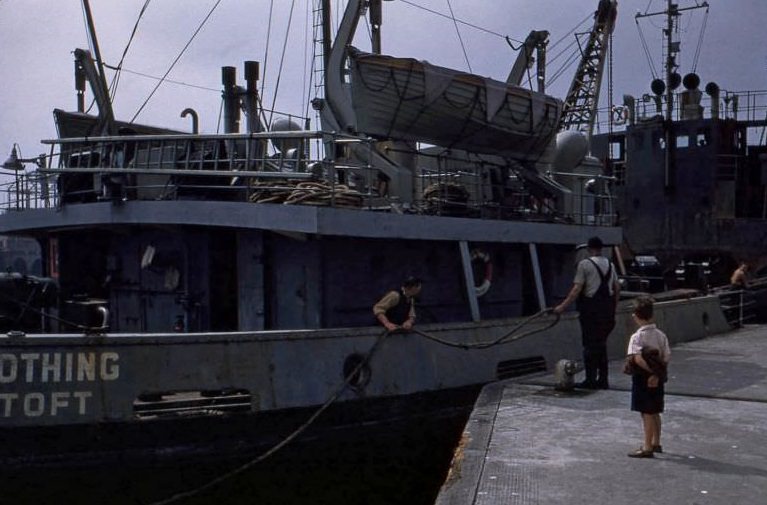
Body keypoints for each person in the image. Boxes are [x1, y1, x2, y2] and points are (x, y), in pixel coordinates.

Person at [553, 236, 620, 389]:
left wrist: (562, 307)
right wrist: (613, 309)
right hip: (607, 311)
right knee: (601, 346)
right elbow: (617, 288)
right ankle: (603, 380)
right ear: (601, 248)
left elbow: (577, 289)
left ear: (589, 249)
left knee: (589, 346)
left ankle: (590, 379)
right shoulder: (610, 265)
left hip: (591, 310)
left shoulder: (584, 264)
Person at [625, 296, 670, 458]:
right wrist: (658, 374)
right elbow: (666, 356)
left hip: (642, 378)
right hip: (658, 376)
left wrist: (650, 373)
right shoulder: (661, 335)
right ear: (652, 315)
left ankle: (647, 446)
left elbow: (636, 357)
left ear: (635, 316)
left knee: (646, 413)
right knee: (656, 410)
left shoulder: (637, 337)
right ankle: (657, 442)